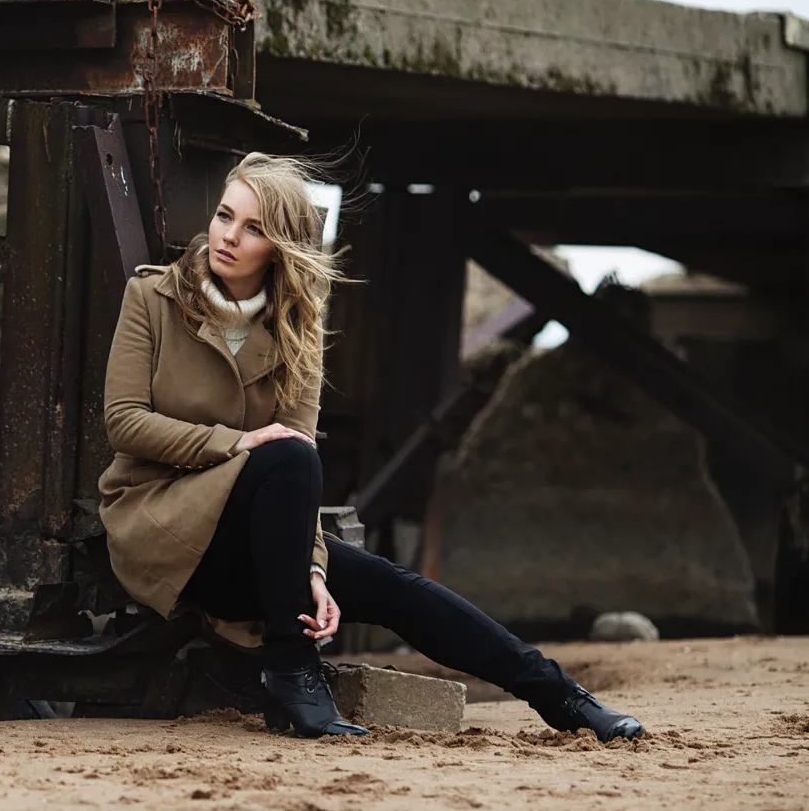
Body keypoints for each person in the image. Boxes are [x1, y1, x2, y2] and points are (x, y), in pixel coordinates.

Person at [96, 152, 646, 741]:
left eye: (253, 228)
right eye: (226, 216)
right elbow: (124, 422)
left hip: (253, 541)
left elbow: (294, 477)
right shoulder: (153, 299)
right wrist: (237, 442)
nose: (228, 236)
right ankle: (293, 671)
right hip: (164, 527)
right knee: (284, 453)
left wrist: (309, 565)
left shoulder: (297, 329)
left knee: (394, 587)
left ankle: (561, 697)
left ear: (281, 246)